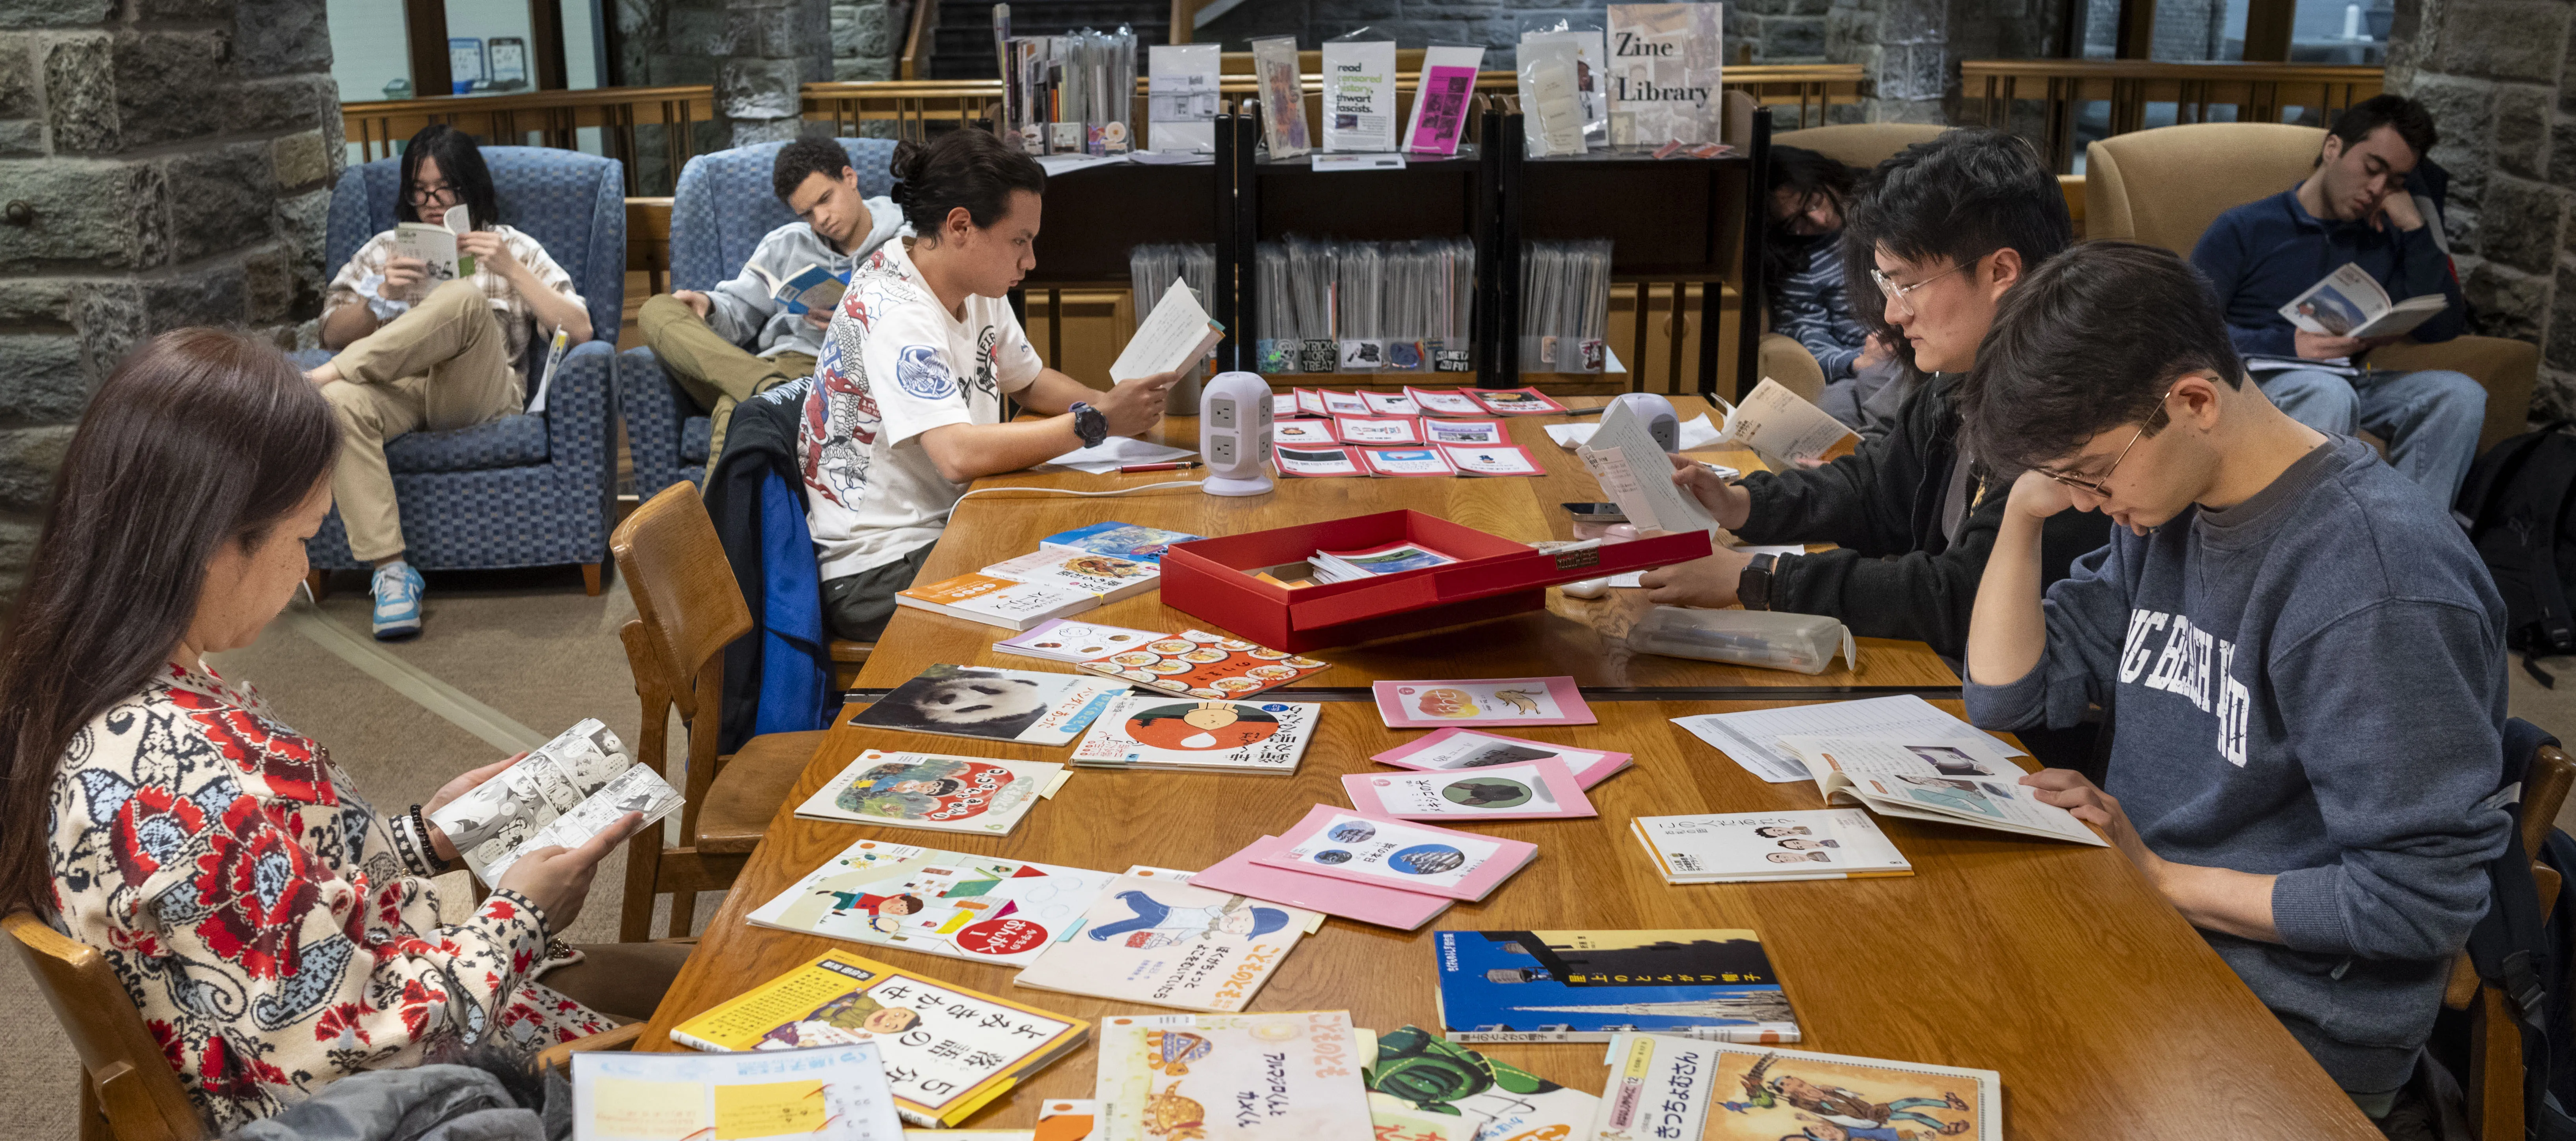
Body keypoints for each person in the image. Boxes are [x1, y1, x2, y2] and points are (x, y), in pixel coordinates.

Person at [0, 329, 682, 1133]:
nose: (303, 571)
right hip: (399, 1096)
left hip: (388, 1015)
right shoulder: (175, 779)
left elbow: (265, 899)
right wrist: (523, 913)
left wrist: (422, 837)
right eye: (299, 537)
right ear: (211, 541)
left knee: (708, 979)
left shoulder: (113, 689)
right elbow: (353, 1045)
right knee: (744, 1015)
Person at [1956, 241, 2507, 1129]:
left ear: (2193, 400)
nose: (2088, 502)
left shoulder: (2372, 583)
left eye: (2090, 474)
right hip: (2142, 941)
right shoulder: (2169, 510)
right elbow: (2006, 697)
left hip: (2286, 1022)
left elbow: (2414, 904)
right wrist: (2024, 513)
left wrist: (2161, 877)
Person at [1639, 129, 2110, 660]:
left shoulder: (2077, 410)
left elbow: (1964, 595)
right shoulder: (1966, 375)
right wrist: (1743, 504)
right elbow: (1876, 488)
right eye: (1888, 286)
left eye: (1906, 285)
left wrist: (1761, 577)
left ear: (2000, 271)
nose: (1892, 313)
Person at [802, 128, 1178, 643]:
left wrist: (1113, 403)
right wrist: (1100, 422)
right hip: (876, 570)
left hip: (950, 524)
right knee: (1097, 595)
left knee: (1107, 557)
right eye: (1019, 241)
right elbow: (957, 455)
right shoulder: (892, 307)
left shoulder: (974, 281)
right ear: (961, 226)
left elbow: (1028, 381)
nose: (1030, 261)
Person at [306, 123, 594, 639]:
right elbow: (330, 331)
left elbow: (580, 329)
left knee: (461, 299)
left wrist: (510, 271)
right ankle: (391, 572)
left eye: (445, 190)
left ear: (471, 189)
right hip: (400, 392)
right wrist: (378, 297)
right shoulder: (384, 251)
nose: (432, 203)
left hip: (480, 392)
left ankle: (330, 378)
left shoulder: (512, 247)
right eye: (420, 192)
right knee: (336, 404)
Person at [2190, 94, 2482, 505]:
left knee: (2459, 395)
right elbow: (2186, 332)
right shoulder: (2246, 227)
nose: (2378, 190)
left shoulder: (2384, 233)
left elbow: (2442, 327)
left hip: (2352, 377)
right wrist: (2287, 344)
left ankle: (2414, 543)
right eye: (2372, 169)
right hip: (2261, 382)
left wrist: (2416, 225)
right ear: (2333, 149)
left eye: (2396, 182)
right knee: (2329, 393)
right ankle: (2311, 548)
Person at [640, 138, 906, 478]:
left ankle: (710, 532)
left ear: (849, 178)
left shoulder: (904, 240)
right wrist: (708, 306)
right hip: (772, 364)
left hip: (842, 373)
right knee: (655, 310)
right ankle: (770, 390)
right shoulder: (785, 244)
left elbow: (922, 317)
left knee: (733, 408)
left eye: (825, 199)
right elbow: (739, 312)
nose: (822, 219)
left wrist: (859, 317)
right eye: (807, 213)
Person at [1762, 145, 1905, 436]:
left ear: (1824, 179)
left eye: (1814, 202)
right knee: (1825, 415)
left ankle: (1880, 464)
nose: (1818, 220)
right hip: (1859, 361)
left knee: (1883, 386)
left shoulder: (1886, 210)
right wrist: (1855, 362)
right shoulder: (1798, 265)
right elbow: (1807, 335)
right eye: (1796, 223)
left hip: (1910, 343)